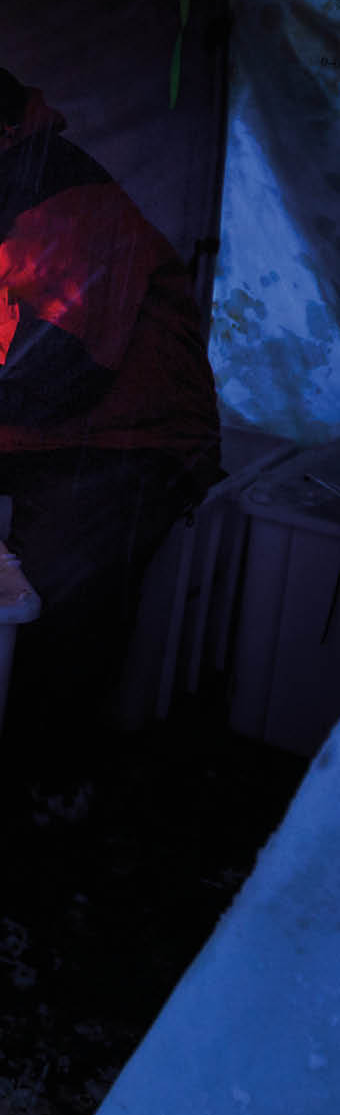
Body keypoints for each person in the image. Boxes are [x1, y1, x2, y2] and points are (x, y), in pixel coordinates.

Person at [0, 68, 222, 776]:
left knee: (64, 576)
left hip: (133, 434)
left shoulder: (68, 205)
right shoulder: (13, 187)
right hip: (37, 422)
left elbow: (57, 374)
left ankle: (52, 769)